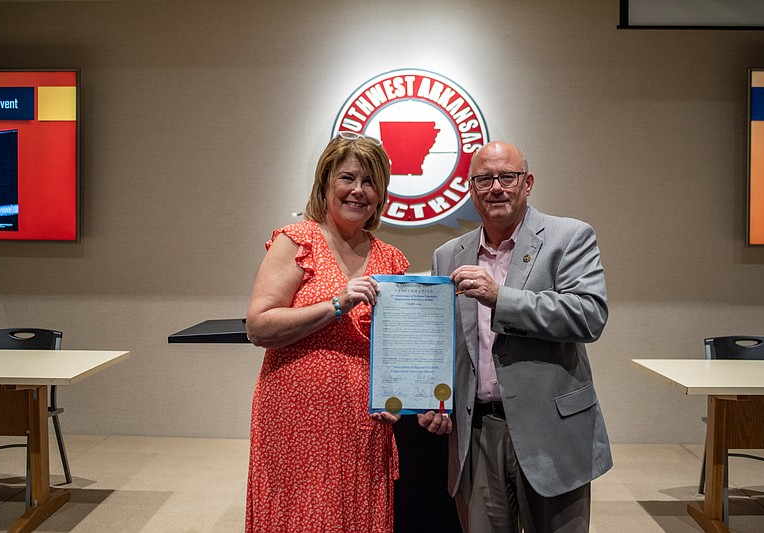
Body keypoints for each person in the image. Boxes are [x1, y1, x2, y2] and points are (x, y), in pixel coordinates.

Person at [420, 140, 612, 533]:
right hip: (478, 433)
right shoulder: (448, 254)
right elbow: (443, 343)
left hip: (551, 430)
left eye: (507, 176)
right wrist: (430, 397)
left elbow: (589, 316)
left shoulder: (569, 237)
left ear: (528, 183)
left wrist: (499, 298)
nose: (496, 187)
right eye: (485, 179)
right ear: (471, 189)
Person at [244, 132, 410, 533]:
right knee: (300, 515)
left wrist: (402, 397)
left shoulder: (392, 259)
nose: (358, 191)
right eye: (347, 178)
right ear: (325, 184)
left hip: (365, 420)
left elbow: (400, 350)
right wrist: (336, 304)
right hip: (297, 416)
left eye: (370, 182)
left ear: (381, 193)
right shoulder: (296, 241)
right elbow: (259, 326)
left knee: (356, 514)